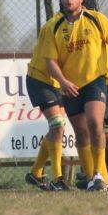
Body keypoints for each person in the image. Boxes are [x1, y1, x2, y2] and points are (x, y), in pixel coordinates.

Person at [41, 0, 108, 191]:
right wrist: (63, 82)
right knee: (81, 132)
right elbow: (50, 61)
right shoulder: (53, 26)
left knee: (96, 123)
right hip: (70, 86)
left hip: (95, 80)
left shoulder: (96, 19)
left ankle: (99, 173)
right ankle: (90, 178)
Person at [24, 14, 69, 191]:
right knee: (57, 124)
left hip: (56, 82)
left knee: (58, 127)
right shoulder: (53, 26)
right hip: (40, 79)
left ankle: (35, 173)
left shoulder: (78, 24)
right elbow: (52, 61)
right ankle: (58, 179)